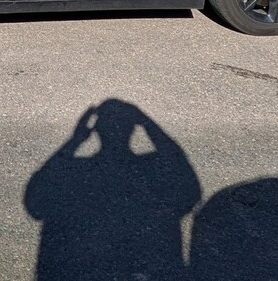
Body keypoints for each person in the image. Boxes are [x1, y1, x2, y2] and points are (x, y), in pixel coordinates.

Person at [25, 99, 202, 281]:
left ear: (98, 130)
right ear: (132, 130)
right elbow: (188, 185)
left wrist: (75, 141)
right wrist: (147, 122)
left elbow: (35, 200)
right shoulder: (152, 172)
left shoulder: (76, 173)